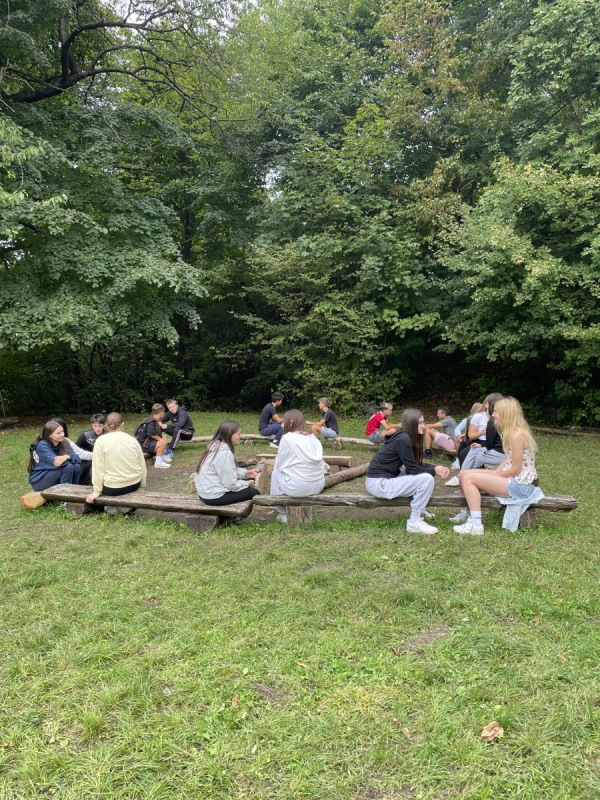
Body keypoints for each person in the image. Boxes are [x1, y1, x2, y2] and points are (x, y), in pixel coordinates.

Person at [454, 397, 541, 535]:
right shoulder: (512, 432)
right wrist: (494, 476)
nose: (493, 414)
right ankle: (470, 514)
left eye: (496, 412)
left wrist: (495, 477)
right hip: (513, 480)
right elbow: (506, 460)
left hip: (519, 486)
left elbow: (516, 469)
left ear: (506, 414)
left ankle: (476, 525)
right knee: (464, 474)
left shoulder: (517, 435)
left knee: (468, 479)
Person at [365, 408, 449, 534]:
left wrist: (434, 467)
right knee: (426, 479)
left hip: (383, 479)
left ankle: (419, 510)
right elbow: (414, 470)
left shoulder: (404, 436)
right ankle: (414, 522)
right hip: (378, 483)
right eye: (420, 423)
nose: (423, 426)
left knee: (424, 474)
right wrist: (434, 470)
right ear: (411, 424)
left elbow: (413, 465)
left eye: (423, 422)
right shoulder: (403, 439)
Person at [271, 409, 326, 524]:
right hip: (318, 485)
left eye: (284, 422)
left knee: (276, 468)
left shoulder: (287, 438)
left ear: (290, 422)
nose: (282, 425)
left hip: (298, 487)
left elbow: (280, 463)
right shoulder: (312, 437)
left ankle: (282, 512)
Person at [85, 412, 146, 512]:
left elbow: (98, 468)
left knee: (92, 470)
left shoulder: (101, 441)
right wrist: (142, 486)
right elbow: (142, 465)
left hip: (112, 488)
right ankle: (122, 508)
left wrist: (96, 492)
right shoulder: (132, 440)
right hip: (134, 484)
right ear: (122, 424)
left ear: (106, 425)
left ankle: (113, 508)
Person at [195, 420, 260, 505]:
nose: (240, 436)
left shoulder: (215, 446)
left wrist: (246, 474)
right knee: (254, 493)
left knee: (247, 481)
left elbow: (228, 472)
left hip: (204, 493)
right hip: (213, 496)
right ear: (229, 434)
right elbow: (231, 484)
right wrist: (247, 484)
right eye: (238, 434)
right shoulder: (224, 453)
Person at [28, 420, 81, 491]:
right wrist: (69, 458)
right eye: (58, 433)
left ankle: (73, 491)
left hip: (54, 472)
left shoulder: (63, 441)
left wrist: (67, 456)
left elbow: (78, 459)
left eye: (62, 431)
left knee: (77, 466)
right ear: (50, 435)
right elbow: (57, 463)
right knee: (68, 467)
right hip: (40, 479)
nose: (62, 435)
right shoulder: (42, 446)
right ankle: (63, 494)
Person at [52, 417, 94, 485]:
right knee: (73, 466)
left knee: (79, 464)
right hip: (59, 468)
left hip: (67, 465)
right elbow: (80, 454)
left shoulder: (65, 440)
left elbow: (78, 454)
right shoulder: (44, 444)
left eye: (61, 431)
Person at [135, 403, 171, 469]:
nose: (164, 413)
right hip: (143, 445)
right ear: (161, 412)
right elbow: (151, 434)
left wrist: (162, 437)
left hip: (145, 442)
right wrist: (160, 439)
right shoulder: (151, 422)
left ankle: (162, 457)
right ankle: (158, 463)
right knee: (161, 443)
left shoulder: (151, 420)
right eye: (164, 412)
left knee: (163, 437)